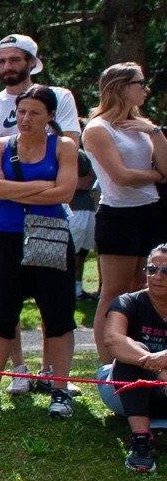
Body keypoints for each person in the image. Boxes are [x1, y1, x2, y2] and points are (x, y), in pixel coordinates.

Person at [0, 33, 81, 393]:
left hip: (50, 226)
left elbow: (66, 186)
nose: (7, 67)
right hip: (4, 225)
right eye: (1, 61)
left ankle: (55, 379)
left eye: (14, 60)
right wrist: (42, 189)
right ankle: (14, 373)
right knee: (3, 310)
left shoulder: (61, 101)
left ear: (32, 61)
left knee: (56, 310)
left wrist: (19, 189)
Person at [82, 63, 167, 354]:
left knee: (141, 290)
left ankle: (133, 355)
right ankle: (108, 365)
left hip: (151, 212)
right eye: (140, 83)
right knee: (114, 292)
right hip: (119, 215)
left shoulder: (142, 126)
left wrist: (154, 132)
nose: (146, 89)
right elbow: (121, 176)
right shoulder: (98, 128)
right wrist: (157, 176)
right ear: (120, 87)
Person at [100, 242, 167, 471]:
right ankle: (141, 440)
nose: (157, 276)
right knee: (130, 351)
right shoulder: (127, 301)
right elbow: (113, 340)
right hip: (125, 391)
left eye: (166, 271)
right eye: (152, 269)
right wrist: (159, 368)